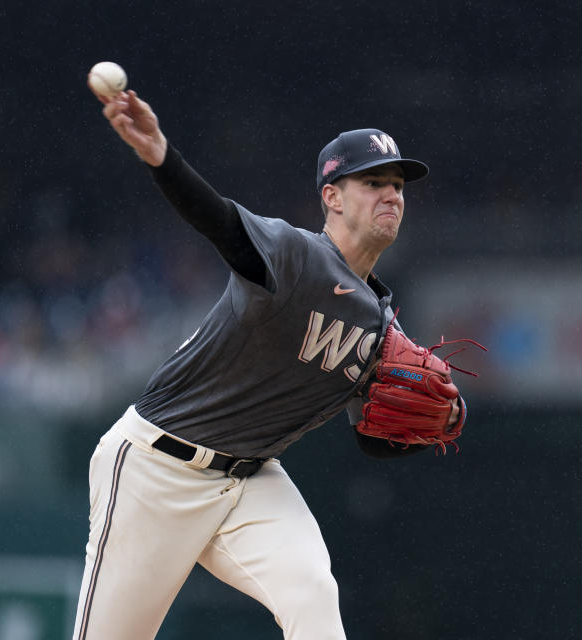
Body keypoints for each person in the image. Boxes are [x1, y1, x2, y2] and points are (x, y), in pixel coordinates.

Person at [73, 84, 463, 640]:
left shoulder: (380, 324)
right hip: (154, 469)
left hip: (251, 479)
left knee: (313, 595)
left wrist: (434, 422)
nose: (392, 195)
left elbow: (372, 440)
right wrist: (161, 155)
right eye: (373, 181)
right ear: (332, 196)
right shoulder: (295, 254)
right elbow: (219, 222)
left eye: (398, 185)